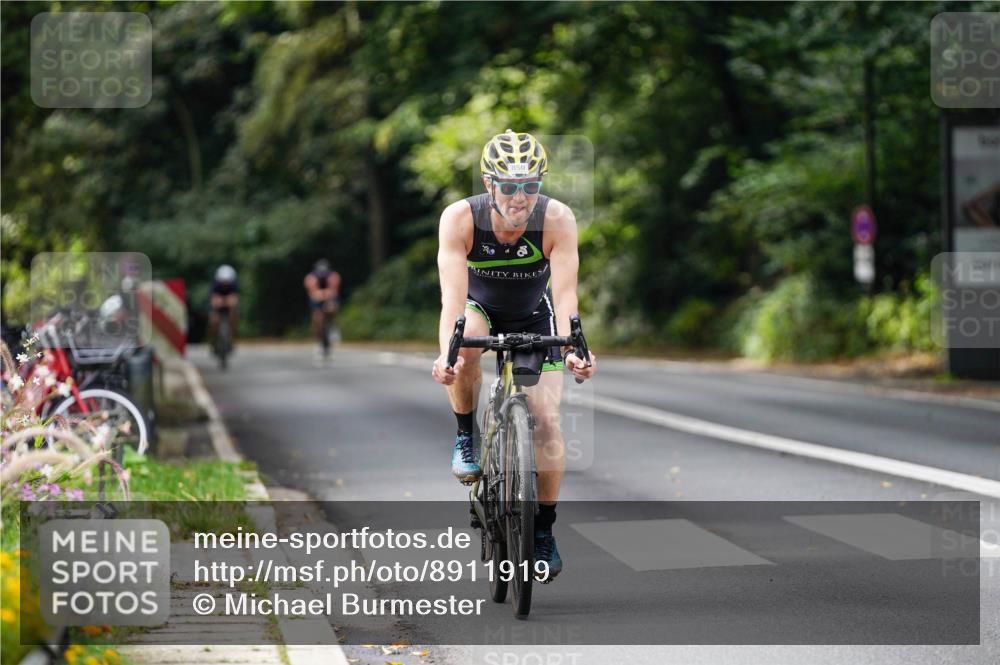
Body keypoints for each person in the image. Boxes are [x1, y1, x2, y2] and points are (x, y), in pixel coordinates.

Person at [431, 130, 597, 581]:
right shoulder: (461, 219)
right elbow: (453, 302)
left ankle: (542, 531)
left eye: (530, 186)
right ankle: (467, 436)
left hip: (533, 316)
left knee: (547, 420)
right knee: (467, 348)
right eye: (509, 186)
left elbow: (565, 299)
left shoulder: (557, 219)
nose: (520, 197)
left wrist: (576, 349)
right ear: (489, 184)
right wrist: (448, 353)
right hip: (479, 308)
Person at [304, 259, 341, 358]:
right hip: (317, 299)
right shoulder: (310, 278)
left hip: (329, 297)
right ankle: (318, 341)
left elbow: (333, 291)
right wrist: (322, 294)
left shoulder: (334, 276)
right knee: (317, 319)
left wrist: (325, 295)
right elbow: (313, 293)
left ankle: (333, 327)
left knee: (332, 307)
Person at [208, 264, 239, 345]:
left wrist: (227, 301)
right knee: (214, 319)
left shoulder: (234, 285)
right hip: (218, 306)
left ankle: (231, 336)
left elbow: (235, 298)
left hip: (228, 307)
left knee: (234, 315)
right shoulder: (215, 285)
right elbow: (213, 299)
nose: (225, 284)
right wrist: (220, 301)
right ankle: (213, 338)